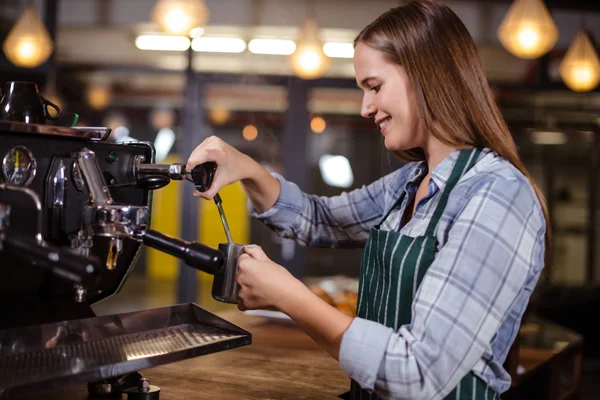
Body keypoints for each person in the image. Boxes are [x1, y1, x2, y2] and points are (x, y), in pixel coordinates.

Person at [186, 1, 550, 399]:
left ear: (427, 75)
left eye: (374, 87)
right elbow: (319, 219)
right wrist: (248, 169)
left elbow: (417, 374)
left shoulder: (497, 195)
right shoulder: (409, 184)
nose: (365, 108)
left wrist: (288, 296)